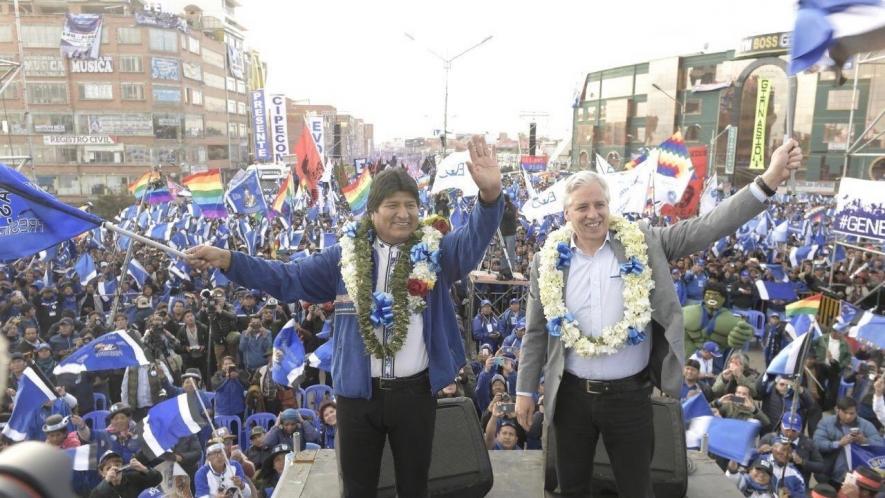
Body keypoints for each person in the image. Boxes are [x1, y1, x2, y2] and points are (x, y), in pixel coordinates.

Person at [187, 135, 504, 498]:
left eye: (411, 205)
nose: (403, 213)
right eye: (392, 205)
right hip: (357, 396)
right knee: (356, 489)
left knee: (415, 487)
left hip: (415, 395)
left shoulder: (436, 252)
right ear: (372, 211)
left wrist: (490, 195)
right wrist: (230, 260)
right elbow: (288, 278)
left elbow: (472, 240)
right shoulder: (343, 257)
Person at [516, 140, 803, 496]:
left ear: (609, 206)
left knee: (637, 488)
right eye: (582, 207)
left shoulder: (644, 243)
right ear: (566, 214)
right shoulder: (546, 261)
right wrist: (524, 390)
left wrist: (768, 181)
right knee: (571, 488)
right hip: (571, 397)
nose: (593, 214)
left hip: (629, 398)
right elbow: (536, 332)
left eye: (600, 204)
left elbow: (708, 227)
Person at [813, 397, 884, 487]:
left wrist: (865, 441)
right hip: (831, 469)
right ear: (837, 410)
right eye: (845, 413)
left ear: (857, 412)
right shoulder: (826, 422)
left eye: (851, 413)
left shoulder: (866, 425)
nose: (848, 416)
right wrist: (838, 443)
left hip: (859, 471)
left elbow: (880, 445)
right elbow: (817, 443)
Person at [759, 413, 825, 486]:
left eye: (794, 430)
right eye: (787, 429)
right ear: (781, 425)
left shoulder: (808, 443)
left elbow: (820, 466)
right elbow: (754, 463)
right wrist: (759, 452)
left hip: (797, 485)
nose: (789, 433)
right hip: (770, 483)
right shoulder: (769, 438)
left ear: (800, 429)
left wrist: (802, 462)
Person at [90, 450, 162, 498]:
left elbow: (158, 479)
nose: (114, 469)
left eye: (117, 465)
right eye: (108, 468)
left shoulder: (133, 477)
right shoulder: (100, 491)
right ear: (102, 473)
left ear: (122, 466)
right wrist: (107, 481)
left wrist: (144, 469)